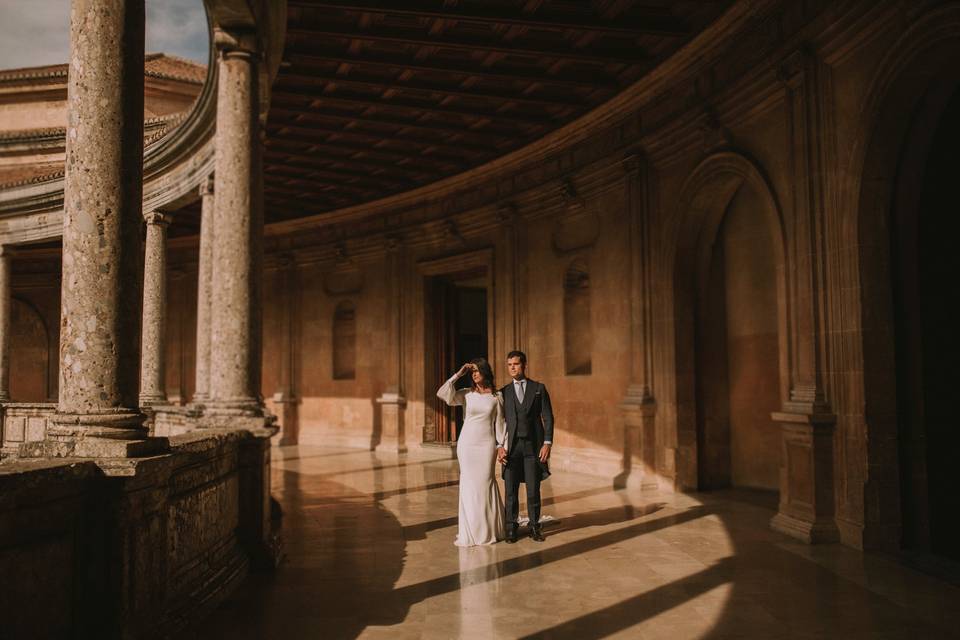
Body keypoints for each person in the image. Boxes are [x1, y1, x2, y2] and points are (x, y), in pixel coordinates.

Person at [437, 358, 507, 546]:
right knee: (469, 486)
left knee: (485, 482)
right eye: (472, 372)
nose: (474, 374)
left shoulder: (497, 396)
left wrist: (502, 446)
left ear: (485, 372)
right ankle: (471, 531)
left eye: (477, 370)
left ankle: (489, 529)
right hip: (467, 445)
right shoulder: (465, 394)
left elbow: (500, 424)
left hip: (486, 446)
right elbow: (442, 394)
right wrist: (458, 374)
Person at [498, 350, 553, 543]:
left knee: (533, 489)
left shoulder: (538, 388)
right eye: (509, 364)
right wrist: (499, 446)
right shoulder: (503, 392)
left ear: (524, 365)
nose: (512, 367)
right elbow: (498, 422)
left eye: (516, 364)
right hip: (511, 447)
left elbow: (547, 417)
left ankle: (534, 527)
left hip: (533, 446)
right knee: (510, 490)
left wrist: (547, 442)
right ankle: (511, 527)